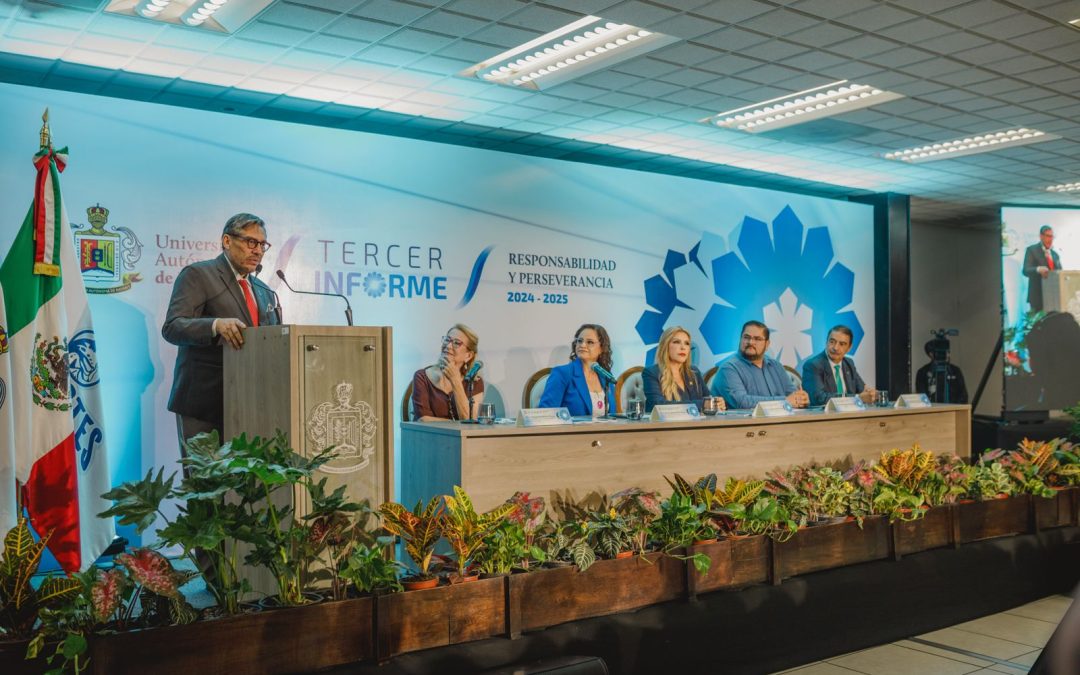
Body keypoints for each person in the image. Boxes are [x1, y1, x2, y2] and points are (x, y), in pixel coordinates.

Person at [162, 213, 280, 447]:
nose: (258, 251)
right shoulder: (198, 275)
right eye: (251, 242)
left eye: (262, 245)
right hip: (204, 403)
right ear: (227, 241)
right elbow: (173, 327)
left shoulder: (264, 290)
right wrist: (215, 325)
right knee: (206, 472)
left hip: (251, 404)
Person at [711, 320, 809, 410]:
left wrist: (801, 399)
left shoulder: (776, 366)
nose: (751, 342)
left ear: (767, 344)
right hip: (746, 423)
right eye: (746, 337)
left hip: (781, 421)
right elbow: (742, 402)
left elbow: (793, 396)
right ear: (740, 339)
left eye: (757, 339)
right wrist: (784, 401)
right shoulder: (729, 368)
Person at [539, 323, 616, 417]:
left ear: (602, 348)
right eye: (580, 341)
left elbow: (614, 416)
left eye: (590, 342)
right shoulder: (562, 374)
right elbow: (546, 414)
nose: (582, 345)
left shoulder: (606, 377)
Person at [642, 325, 724, 412]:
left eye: (687, 343)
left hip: (696, 420)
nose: (683, 347)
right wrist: (703, 404)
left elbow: (708, 398)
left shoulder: (694, 372)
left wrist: (716, 403)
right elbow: (658, 404)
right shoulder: (651, 373)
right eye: (676, 342)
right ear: (665, 346)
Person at [411, 324, 483, 421]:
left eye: (457, 343)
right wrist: (456, 424)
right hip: (431, 432)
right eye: (447, 340)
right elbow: (423, 420)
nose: (448, 346)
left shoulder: (474, 382)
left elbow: (469, 421)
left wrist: (455, 380)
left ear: (468, 355)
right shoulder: (422, 377)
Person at [802, 325, 876, 406]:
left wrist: (871, 394)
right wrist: (857, 398)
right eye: (832, 342)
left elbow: (863, 390)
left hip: (851, 412)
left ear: (849, 348)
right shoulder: (813, 365)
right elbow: (819, 399)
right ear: (826, 342)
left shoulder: (849, 363)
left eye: (842, 344)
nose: (836, 348)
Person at [915, 338, 968, 404]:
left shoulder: (955, 371)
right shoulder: (922, 372)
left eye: (948, 352)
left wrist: (954, 407)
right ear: (931, 354)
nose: (947, 355)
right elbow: (922, 398)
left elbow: (963, 395)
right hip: (933, 409)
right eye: (942, 352)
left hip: (953, 409)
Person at [1023, 225, 1062, 313]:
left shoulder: (1055, 255)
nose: (1050, 239)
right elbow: (1025, 270)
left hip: (1054, 297)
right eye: (1048, 236)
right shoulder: (1032, 250)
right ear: (1041, 236)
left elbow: (1060, 273)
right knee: (1039, 321)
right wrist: (1038, 269)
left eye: (1052, 236)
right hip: (1037, 297)